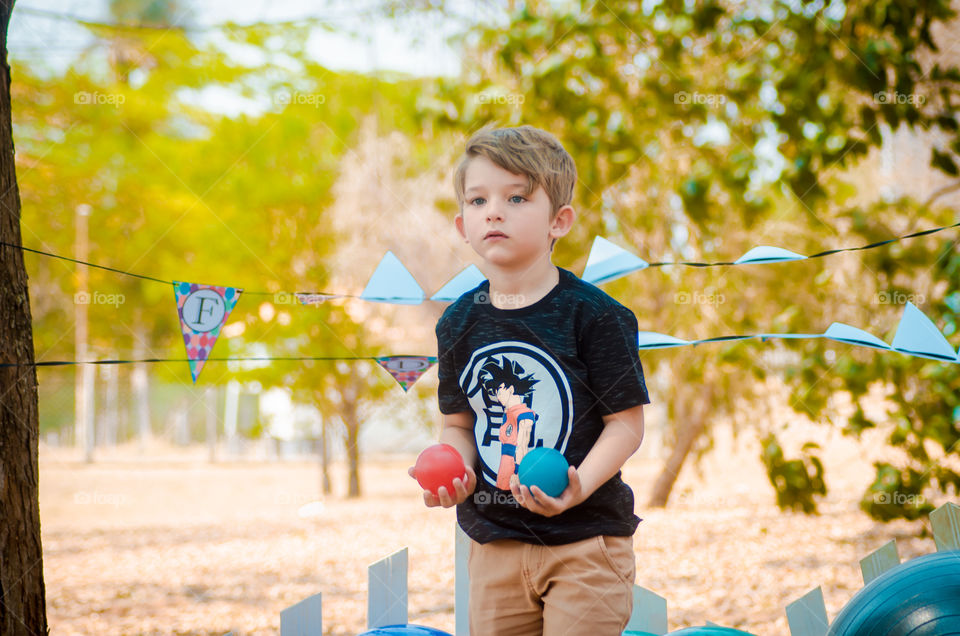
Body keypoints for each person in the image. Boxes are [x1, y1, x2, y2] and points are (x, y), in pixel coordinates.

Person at [408, 124, 651, 635]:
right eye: (478, 200)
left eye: (516, 197)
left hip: (585, 542)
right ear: (462, 225)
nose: (493, 211)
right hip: (494, 541)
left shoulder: (596, 316)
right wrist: (457, 472)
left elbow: (626, 426)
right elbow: (457, 422)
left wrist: (578, 485)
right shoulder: (457, 323)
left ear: (558, 222)